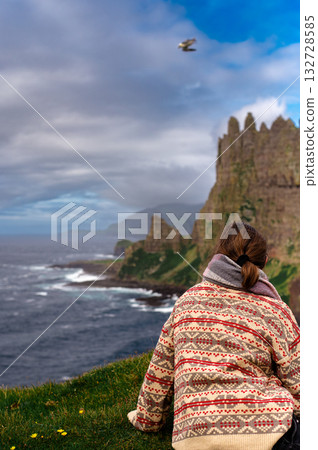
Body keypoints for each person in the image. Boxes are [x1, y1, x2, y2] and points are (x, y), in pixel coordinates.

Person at [127, 222, 300, 449]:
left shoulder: (186, 302)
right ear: (265, 262)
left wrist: (146, 420)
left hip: (194, 438)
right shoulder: (275, 311)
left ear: (218, 256)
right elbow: (299, 384)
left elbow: (160, 374)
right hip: (274, 436)